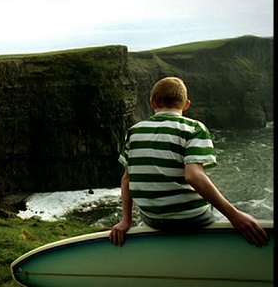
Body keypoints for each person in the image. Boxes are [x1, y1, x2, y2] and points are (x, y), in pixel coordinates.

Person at [109, 76, 269, 247]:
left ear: (153, 102)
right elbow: (194, 176)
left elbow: (127, 178)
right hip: (192, 218)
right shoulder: (194, 129)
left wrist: (126, 220)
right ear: (186, 105)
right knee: (221, 213)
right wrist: (234, 215)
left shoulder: (134, 132)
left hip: (153, 220)